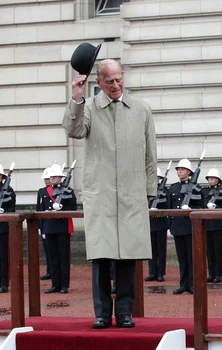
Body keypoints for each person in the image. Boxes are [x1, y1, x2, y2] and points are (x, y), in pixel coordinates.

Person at [62, 58, 157, 328]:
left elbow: (151, 153)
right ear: (99, 82)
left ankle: (125, 312)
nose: (115, 85)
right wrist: (77, 99)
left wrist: (150, 190)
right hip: (101, 193)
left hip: (132, 192)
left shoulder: (141, 109)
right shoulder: (89, 107)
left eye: (119, 79)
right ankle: (102, 313)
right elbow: (73, 130)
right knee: (101, 257)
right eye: (109, 81)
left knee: (128, 256)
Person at [37, 163, 77, 294]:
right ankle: (55, 284)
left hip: (62, 227)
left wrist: (62, 208)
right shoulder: (43, 192)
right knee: (52, 257)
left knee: (63, 257)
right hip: (49, 227)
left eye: (55, 176)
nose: (52, 178)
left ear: (60, 177)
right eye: (51, 177)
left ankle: (64, 285)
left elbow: (73, 208)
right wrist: (41, 228)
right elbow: (40, 211)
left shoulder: (68, 191)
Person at [168, 158, 203, 295]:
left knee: (191, 257)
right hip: (177, 227)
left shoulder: (196, 187)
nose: (179, 171)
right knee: (182, 258)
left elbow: (201, 206)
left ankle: (193, 284)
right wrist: (171, 225)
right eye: (178, 169)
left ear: (189, 172)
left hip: (190, 227)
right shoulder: (174, 187)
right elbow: (170, 208)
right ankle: (183, 284)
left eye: (182, 169)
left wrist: (190, 207)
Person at [202, 168, 222, 283]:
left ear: (218, 180)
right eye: (209, 178)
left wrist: (217, 207)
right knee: (209, 250)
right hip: (207, 224)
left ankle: (218, 274)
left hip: (218, 224)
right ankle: (211, 273)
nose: (211, 180)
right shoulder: (204, 191)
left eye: (213, 178)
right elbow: (202, 204)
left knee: (218, 250)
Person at [145, 167, 168, 282]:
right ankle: (152, 272)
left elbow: (168, 205)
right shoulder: (146, 191)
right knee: (151, 250)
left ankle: (160, 273)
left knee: (160, 249)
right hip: (150, 223)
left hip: (160, 223)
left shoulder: (164, 191)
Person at [0, 164, 16, 293]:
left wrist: (3, 210)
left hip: (3, 229)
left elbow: (12, 209)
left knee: (3, 257)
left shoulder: (8, 191)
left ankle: (3, 283)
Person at [36, 167, 52, 281]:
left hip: (54, 224)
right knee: (47, 250)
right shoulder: (42, 191)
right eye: (45, 179)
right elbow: (39, 209)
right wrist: (39, 226)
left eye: (48, 178)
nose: (46, 181)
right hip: (45, 224)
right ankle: (49, 270)